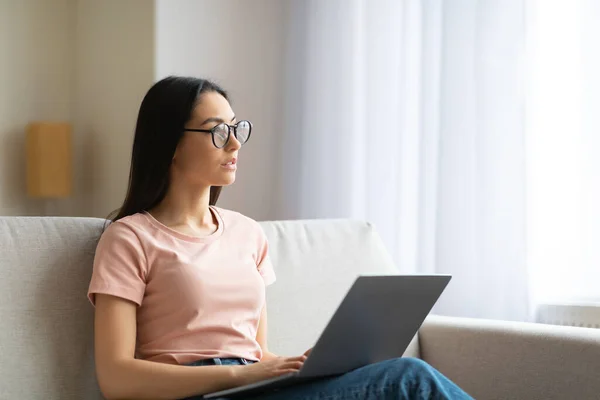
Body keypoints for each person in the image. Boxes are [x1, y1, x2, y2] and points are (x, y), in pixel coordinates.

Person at [87, 76, 473, 400]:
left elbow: (256, 351)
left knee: (392, 376)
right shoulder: (129, 239)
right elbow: (117, 378)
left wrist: (299, 368)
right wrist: (240, 377)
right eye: (217, 132)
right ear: (170, 143)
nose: (235, 143)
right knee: (407, 378)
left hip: (253, 388)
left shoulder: (247, 233)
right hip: (197, 394)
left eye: (236, 128)